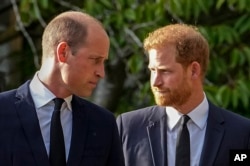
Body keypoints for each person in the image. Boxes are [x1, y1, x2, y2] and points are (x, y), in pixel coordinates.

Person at [0, 11, 124, 166]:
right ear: (63, 52)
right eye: (95, 60)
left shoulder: (103, 123)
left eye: (103, 61)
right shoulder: (3, 111)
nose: (101, 73)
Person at [116, 24, 250, 166]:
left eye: (165, 71)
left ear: (193, 70)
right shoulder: (129, 127)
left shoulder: (241, 133)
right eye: (152, 70)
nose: (155, 82)